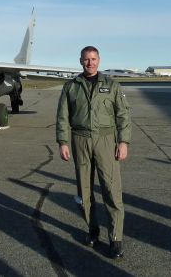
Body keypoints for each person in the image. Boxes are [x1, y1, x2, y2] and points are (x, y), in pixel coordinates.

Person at [56, 46, 131, 258]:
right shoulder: (71, 86)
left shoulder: (111, 85)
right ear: (80, 61)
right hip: (80, 140)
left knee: (111, 190)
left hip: (106, 140)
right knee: (84, 192)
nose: (90, 63)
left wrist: (123, 142)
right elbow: (62, 116)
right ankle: (92, 230)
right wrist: (63, 142)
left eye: (93, 59)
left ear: (99, 60)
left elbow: (123, 115)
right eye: (86, 59)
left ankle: (115, 238)